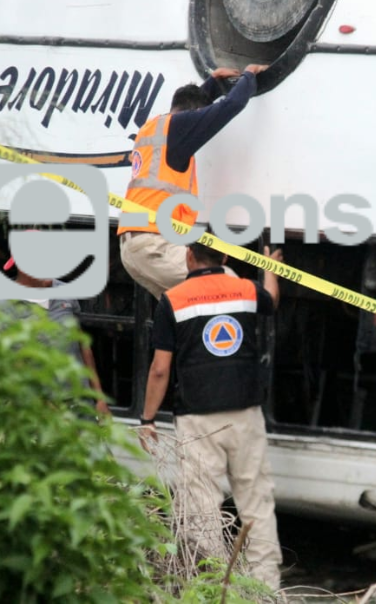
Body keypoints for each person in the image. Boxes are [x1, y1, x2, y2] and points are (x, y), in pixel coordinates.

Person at [138, 240, 284, 591]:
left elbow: (160, 369)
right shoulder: (245, 289)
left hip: (198, 420)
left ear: (188, 256)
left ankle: (210, 589)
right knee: (256, 502)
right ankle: (267, 589)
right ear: (225, 258)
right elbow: (272, 300)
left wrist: (147, 419)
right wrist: (269, 267)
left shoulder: (173, 300)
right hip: (246, 415)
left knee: (201, 508)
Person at [118, 64, 268, 299]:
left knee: (183, 306)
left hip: (134, 245)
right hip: (154, 244)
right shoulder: (179, 128)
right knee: (225, 282)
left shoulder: (153, 127)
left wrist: (212, 83)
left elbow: (193, 109)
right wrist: (249, 75)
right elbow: (232, 105)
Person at [0, 249, 110, 417]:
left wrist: (99, 398)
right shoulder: (5, 305)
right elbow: (2, 364)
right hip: (37, 411)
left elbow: (83, 347)